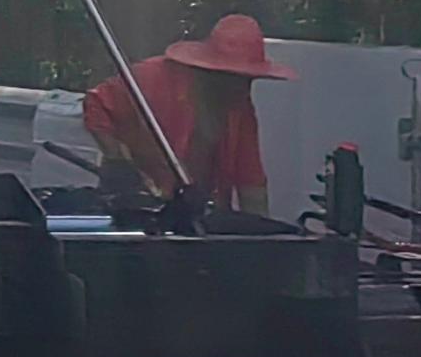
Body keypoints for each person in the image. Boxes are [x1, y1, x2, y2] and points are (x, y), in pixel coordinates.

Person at [81, 13, 290, 219]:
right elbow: (96, 104)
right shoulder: (153, 77)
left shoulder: (239, 106)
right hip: (137, 208)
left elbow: (251, 184)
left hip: (198, 214)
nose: (241, 87)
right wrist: (120, 160)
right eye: (234, 77)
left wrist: (265, 232)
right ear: (211, 70)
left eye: (248, 78)